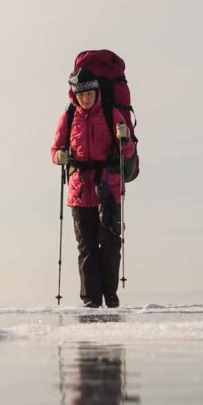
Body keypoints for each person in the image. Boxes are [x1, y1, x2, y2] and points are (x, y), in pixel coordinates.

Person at [51, 69, 136, 308]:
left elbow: (126, 152)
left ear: (96, 92)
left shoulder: (111, 114)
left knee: (110, 242)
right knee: (86, 246)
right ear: (74, 95)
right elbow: (55, 149)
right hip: (79, 190)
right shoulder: (68, 117)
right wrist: (59, 156)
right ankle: (90, 299)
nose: (85, 99)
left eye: (89, 93)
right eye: (81, 95)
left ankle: (110, 295)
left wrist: (125, 137)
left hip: (108, 187)